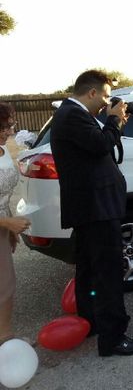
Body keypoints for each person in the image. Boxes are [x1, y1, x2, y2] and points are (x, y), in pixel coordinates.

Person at [50, 70, 133, 357]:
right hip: (96, 208)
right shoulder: (73, 115)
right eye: (106, 96)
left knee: (89, 269)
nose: (108, 102)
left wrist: (114, 124)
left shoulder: (73, 115)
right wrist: (114, 120)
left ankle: (91, 322)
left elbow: (98, 147)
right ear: (92, 93)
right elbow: (100, 145)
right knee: (107, 272)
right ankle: (113, 337)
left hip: (91, 207)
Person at [0, 103, 32, 345]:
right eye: (4, 126)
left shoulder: (2, 150)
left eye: (10, 125)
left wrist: (9, 229)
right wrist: (8, 223)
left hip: (2, 224)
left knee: (5, 282)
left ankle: (5, 337)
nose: (8, 131)